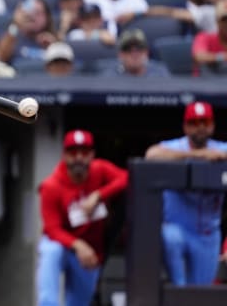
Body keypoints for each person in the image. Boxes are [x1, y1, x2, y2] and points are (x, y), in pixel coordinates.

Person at [37, 129, 128, 306]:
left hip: (90, 252)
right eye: (73, 152)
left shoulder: (99, 169)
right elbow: (51, 228)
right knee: (50, 249)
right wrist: (78, 245)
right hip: (65, 246)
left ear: (92, 155)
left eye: (84, 152)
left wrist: (99, 195)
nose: (79, 157)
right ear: (64, 155)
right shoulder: (51, 185)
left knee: (80, 302)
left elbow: (128, 177)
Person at [144, 101, 227, 285]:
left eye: (204, 123)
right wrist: (197, 156)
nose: (200, 128)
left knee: (201, 293)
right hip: (178, 229)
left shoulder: (220, 149)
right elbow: (151, 155)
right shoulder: (175, 147)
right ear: (185, 126)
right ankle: (178, 287)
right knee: (169, 237)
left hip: (207, 235)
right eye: (194, 123)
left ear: (212, 126)